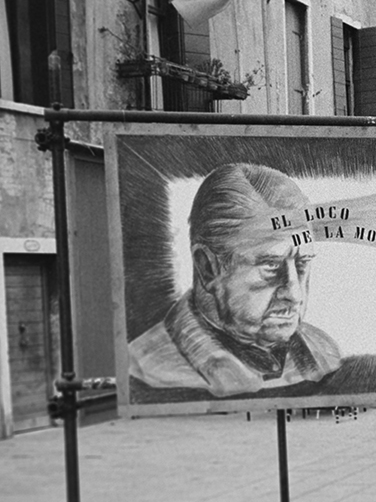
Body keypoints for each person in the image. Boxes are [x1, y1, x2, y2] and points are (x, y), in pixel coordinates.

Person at [128, 164, 341, 397]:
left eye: (301, 264)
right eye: (270, 265)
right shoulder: (144, 370)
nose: (294, 293)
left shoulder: (324, 351)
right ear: (207, 268)